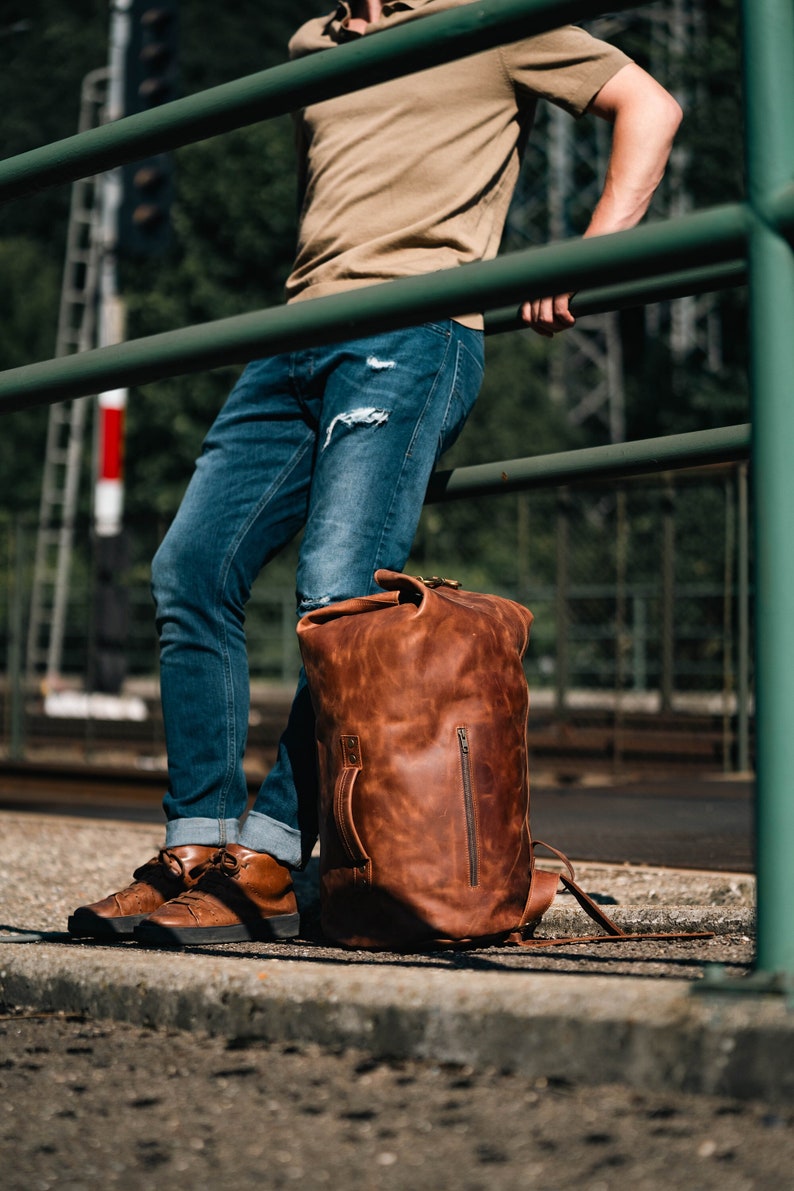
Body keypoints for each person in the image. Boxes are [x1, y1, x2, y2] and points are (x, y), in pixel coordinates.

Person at [68, 0, 682, 945]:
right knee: (190, 570)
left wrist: (596, 249)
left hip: (413, 330)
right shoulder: (311, 45)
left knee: (340, 593)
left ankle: (271, 860)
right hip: (291, 338)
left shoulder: (491, 21)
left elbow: (649, 103)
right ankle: (199, 848)